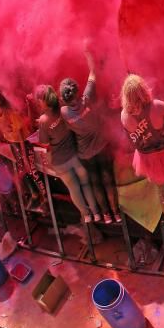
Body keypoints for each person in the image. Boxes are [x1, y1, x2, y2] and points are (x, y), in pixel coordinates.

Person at [120, 74, 164, 233]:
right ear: (143, 90)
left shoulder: (124, 116)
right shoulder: (156, 106)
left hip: (147, 159)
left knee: (161, 190)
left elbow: (131, 140)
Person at [60, 49, 121, 223]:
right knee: (108, 180)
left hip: (85, 153)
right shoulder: (87, 98)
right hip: (102, 146)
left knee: (95, 182)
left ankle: (105, 216)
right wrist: (88, 53)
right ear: (77, 91)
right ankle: (116, 213)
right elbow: (93, 72)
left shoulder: (64, 112)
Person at [32, 84, 99, 224]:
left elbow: (44, 144)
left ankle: (86, 215)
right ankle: (97, 213)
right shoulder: (64, 109)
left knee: (74, 189)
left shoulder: (44, 121)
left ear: (41, 101)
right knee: (86, 184)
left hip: (60, 162)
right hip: (76, 155)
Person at [0, 86, 45, 210]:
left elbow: (20, 132)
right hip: (13, 142)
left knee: (32, 171)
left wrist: (24, 154)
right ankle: (35, 194)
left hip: (23, 141)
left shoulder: (10, 110)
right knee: (21, 170)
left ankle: (45, 198)